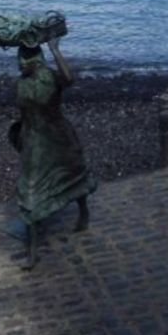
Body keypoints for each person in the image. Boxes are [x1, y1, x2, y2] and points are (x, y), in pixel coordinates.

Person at [13, 38, 97, 270]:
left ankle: (83, 211)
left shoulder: (49, 76)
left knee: (73, 173)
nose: (20, 63)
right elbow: (24, 113)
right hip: (34, 141)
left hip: (58, 137)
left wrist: (55, 50)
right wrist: (19, 135)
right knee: (30, 190)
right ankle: (32, 252)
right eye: (19, 58)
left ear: (37, 60)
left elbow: (69, 79)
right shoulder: (20, 83)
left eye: (25, 58)